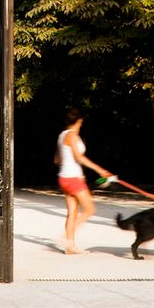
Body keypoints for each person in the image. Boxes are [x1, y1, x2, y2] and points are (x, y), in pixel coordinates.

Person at [56, 107, 114, 255]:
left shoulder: (61, 136)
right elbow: (78, 157)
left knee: (72, 212)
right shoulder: (72, 136)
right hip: (73, 178)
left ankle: (70, 247)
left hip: (63, 177)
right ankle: (64, 239)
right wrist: (100, 170)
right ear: (79, 120)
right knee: (89, 209)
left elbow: (56, 159)